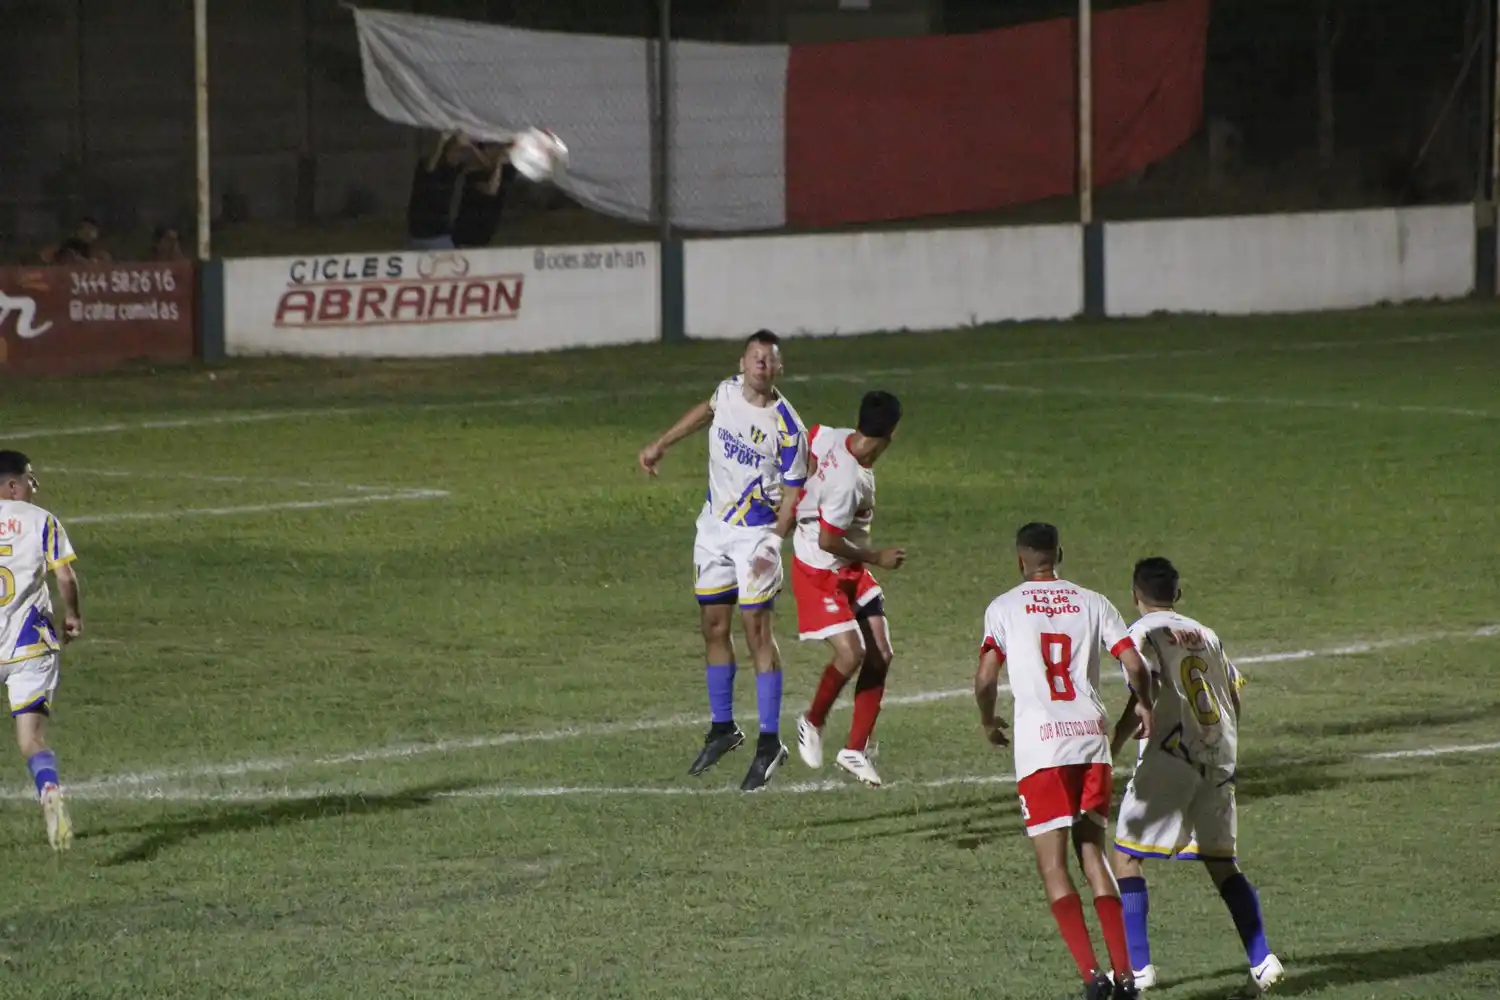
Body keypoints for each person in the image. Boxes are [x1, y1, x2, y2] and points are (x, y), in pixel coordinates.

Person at [974, 523, 1154, 1000]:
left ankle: (1093, 978)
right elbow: (1135, 666)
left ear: (1019, 560)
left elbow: (985, 677)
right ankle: (1126, 977)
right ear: (1060, 554)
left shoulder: (1004, 607)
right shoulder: (1093, 601)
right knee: (1093, 854)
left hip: (1042, 749)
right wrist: (1144, 706)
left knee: (1054, 868)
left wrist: (989, 720)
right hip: (1090, 742)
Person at [637, 331, 808, 790]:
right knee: (713, 626)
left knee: (757, 631)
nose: (761, 366)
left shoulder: (789, 427)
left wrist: (776, 539)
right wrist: (663, 442)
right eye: (756, 358)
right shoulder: (727, 391)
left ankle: (770, 741)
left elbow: (794, 491)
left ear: (779, 369)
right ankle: (723, 728)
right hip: (713, 529)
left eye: (769, 361)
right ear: (744, 361)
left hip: (756, 538)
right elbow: (706, 410)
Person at [1108, 557, 1284, 994]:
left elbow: (1140, 695)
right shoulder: (1207, 634)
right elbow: (1232, 699)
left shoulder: (1141, 635)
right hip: (1219, 757)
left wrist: (1111, 746)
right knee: (1223, 864)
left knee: (1126, 856)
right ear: (1178, 595)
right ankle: (1263, 961)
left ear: (1135, 594)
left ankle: (1139, 967)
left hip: (1170, 757)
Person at [791, 391, 906, 787]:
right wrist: (878, 557)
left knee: (881, 654)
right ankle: (813, 720)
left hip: (848, 566)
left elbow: (808, 438)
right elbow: (827, 541)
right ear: (890, 433)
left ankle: (854, 750)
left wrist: (797, 495)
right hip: (820, 568)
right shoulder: (848, 483)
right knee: (851, 652)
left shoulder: (834, 437)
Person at [0, 451, 83, 850]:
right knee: (31, 739)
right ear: (12, 485)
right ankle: (48, 787)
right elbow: (64, 576)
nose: (36, 486)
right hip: (30, 645)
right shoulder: (40, 521)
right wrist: (73, 616)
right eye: (30, 479)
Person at [453, 144, 517, 249]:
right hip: (470, 228)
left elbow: (491, 189)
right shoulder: (476, 173)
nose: (487, 151)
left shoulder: (505, 170)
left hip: (479, 227)